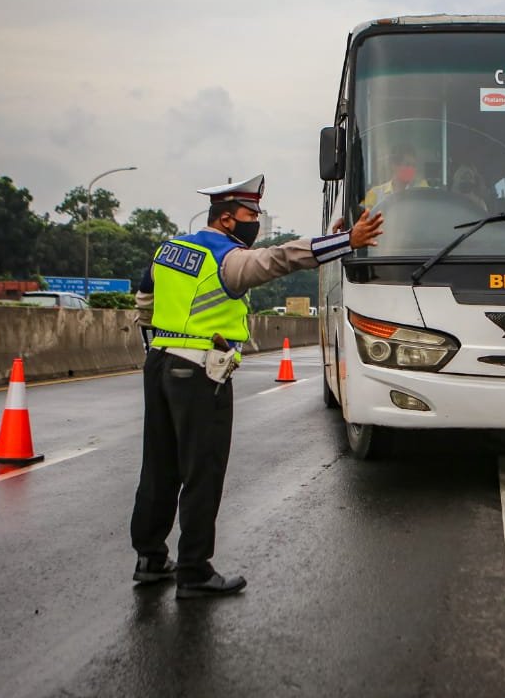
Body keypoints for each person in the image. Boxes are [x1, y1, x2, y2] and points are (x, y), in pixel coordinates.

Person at [130, 174, 384, 598]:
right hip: (201, 372)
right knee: (202, 471)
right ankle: (194, 570)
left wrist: (160, 338)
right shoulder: (226, 258)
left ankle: (150, 558)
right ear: (228, 220)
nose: (256, 222)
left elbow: (144, 302)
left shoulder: (168, 250)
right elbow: (280, 259)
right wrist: (344, 242)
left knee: (159, 467)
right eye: (251, 215)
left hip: (159, 363)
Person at [364, 144, 428, 209]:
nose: (411, 169)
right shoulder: (374, 194)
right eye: (407, 164)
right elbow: (363, 216)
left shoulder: (422, 188)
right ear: (394, 165)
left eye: (413, 165)